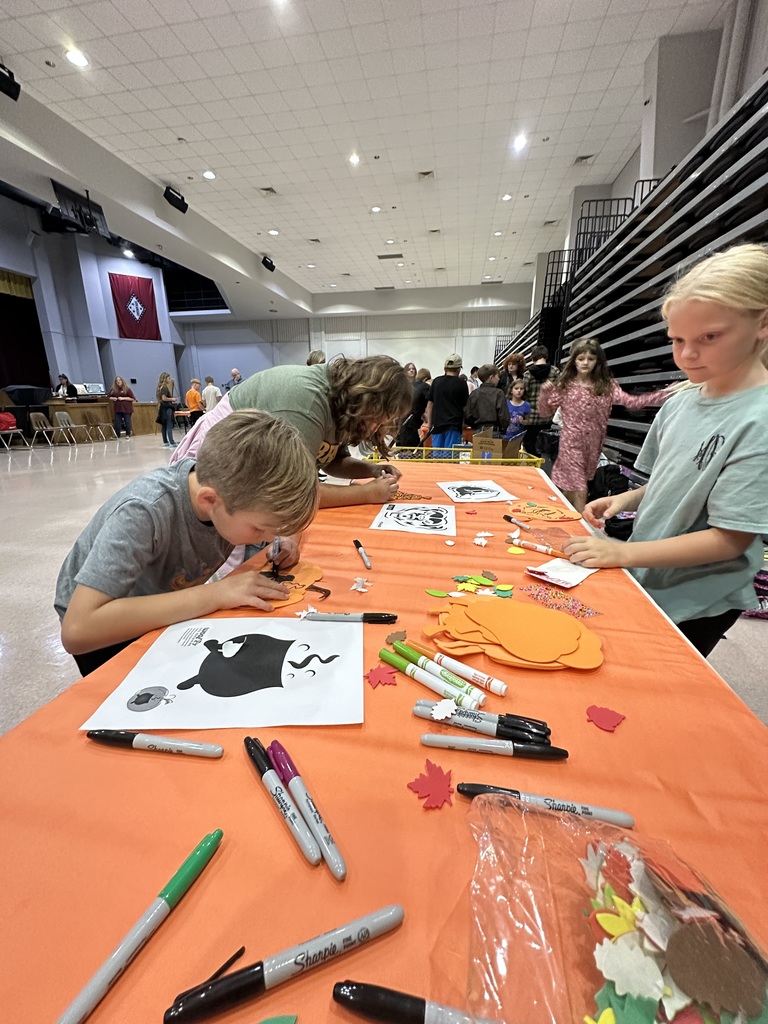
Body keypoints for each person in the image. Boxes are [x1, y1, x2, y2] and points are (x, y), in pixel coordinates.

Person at [564, 243, 768, 656]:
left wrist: (621, 551)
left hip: (698, 595)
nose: (687, 354)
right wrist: (627, 497)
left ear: (762, 324)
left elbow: (729, 539)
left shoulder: (759, 418)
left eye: (709, 337)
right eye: (677, 339)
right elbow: (672, 480)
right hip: (649, 568)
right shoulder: (680, 401)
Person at [55, 411, 318, 676]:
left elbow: (262, 515)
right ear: (209, 501)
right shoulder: (144, 511)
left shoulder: (226, 493)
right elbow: (78, 630)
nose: (265, 539)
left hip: (161, 609)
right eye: (260, 529)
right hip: (105, 632)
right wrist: (215, 594)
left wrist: (285, 535)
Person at [171, 355, 412, 508]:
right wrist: (366, 494)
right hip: (225, 456)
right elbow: (295, 492)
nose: (377, 428)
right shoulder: (308, 402)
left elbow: (330, 459)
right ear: (367, 399)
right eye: (377, 420)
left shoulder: (342, 401)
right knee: (230, 544)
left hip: (252, 467)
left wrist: (370, 470)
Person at [538, 338, 669, 511]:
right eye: (581, 358)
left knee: (573, 485)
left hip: (593, 446)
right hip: (571, 443)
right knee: (579, 487)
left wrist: (663, 394)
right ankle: (581, 526)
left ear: (597, 361)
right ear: (574, 360)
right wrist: (544, 393)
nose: (585, 363)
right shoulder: (566, 386)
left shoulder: (606, 386)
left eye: (590, 359)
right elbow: (545, 412)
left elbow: (631, 402)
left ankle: (562, 513)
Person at [425, 354, 469, 457]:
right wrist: (463, 423)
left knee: (437, 456)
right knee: (450, 457)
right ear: (459, 369)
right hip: (454, 425)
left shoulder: (436, 381)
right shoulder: (461, 383)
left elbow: (430, 404)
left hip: (437, 425)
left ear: (445, 368)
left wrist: (429, 423)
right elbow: (465, 407)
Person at [521, 346, 559, 456]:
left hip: (531, 417)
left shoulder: (528, 374)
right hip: (548, 415)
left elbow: (524, 393)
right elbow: (560, 391)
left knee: (530, 445)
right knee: (546, 446)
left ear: (533, 358)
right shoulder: (555, 371)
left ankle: (532, 467)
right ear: (546, 356)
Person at [464, 363, 510, 434]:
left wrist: (475, 426)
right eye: (497, 376)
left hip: (478, 431)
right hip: (495, 431)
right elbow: (503, 416)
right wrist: (503, 429)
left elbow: (467, 415)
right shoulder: (499, 393)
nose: (499, 379)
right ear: (491, 377)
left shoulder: (474, 394)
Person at [396, 366, 431, 448]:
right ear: (426, 379)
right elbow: (431, 403)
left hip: (403, 423)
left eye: (413, 369)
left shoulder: (411, 387)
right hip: (410, 423)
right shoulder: (425, 387)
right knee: (415, 449)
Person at [156, 371, 178, 449]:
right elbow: (164, 398)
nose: (170, 379)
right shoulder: (164, 387)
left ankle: (165, 442)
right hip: (167, 408)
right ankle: (171, 442)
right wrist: (173, 399)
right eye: (169, 378)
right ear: (165, 379)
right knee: (169, 425)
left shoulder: (159, 388)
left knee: (164, 425)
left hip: (162, 408)